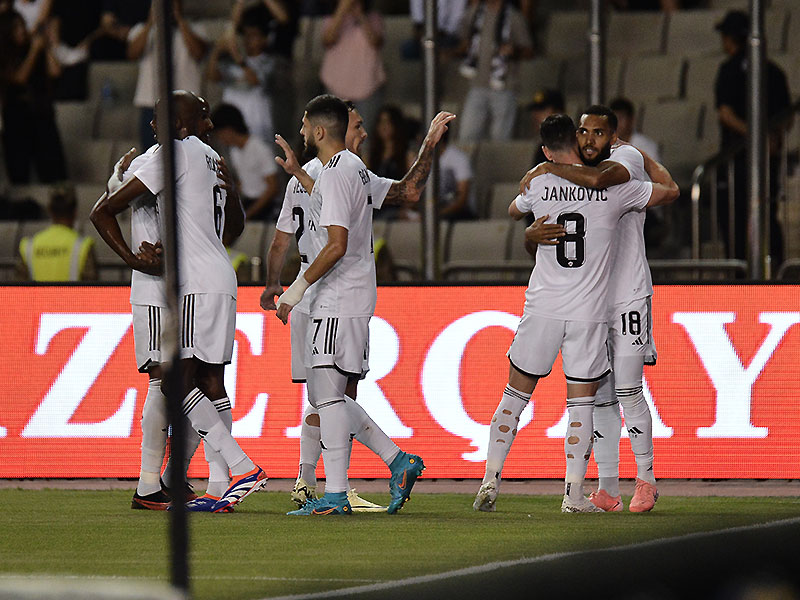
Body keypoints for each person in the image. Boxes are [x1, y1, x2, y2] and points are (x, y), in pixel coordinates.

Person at [473, 113, 678, 513]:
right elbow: (668, 192)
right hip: (588, 311)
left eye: (598, 132)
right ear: (576, 138)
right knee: (585, 404)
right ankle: (575, 494)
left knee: (515, 396)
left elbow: (514, 209)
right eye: (584, 132)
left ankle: (490, 480)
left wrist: (537, 198)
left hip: (546, 307)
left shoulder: (543, 181)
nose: (590, 138)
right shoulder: (617, 191)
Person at [263, 100, 455, 511]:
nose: (364, 132)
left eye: (304, 124)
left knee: (328, 397)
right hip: (341, 296)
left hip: (335, 295)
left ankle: (361, 476)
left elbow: (336, 243)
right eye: (359, 125)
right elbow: (400, 192)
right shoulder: (346, 170)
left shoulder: (342, 169)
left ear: (319, 131)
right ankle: (344, 485)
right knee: (328, 396)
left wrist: (294, 289)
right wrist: (299, 174)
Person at [91, 91, 266, 514]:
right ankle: (203, 483)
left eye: (159, 118)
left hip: (174, 282)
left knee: (168, 382)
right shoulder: (212, 159)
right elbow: (232, 229)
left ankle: (167, 481)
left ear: (177, 125)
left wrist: (117, 183)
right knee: (205, 381)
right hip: (211, 276)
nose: (153, 125)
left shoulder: (168, 154)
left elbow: (104, 209)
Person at [714, 10, 791, 268]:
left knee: (737, 219)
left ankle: (741, 275)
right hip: (766, 158)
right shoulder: (773, 70)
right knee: (766, 214)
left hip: (737, 160)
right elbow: (786, 119)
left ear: (730, 39)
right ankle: (775, 271)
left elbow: (725, 114)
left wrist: (753, 137)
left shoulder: (729, 70)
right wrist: (766, 138)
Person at [128, 0, 208, 153]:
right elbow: (132, 53)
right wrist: (151, 22)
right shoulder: (141, 29)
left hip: (185, 107)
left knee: (189, 154)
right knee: (151, 155)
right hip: (151, 104)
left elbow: (198, 52)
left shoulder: (196, 28)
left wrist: (179, 19)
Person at [0, 9, 67, 184]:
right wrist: (34, 51)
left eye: (22, 26)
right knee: (19, 171)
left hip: (41, 112)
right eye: (16, 28)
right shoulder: (5, 55)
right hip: (16, 118)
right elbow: (19, 78)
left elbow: (55, 71)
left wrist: (45, 48)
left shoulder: (33, 47)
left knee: (53, 169)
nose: (22, 31)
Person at [456, 0, 533, 143]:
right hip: (477, 84)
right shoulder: (473, 14)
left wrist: (513, 51)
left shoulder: (514, 17)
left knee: (500, 139)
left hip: (504, 86)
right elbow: (463, 41)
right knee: (467, 137)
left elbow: (528, 50)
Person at [206, 2, 275, 146]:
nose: (248, 40)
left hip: (257, 129)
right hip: (231, 130)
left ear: (265, 38)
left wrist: (237, 56)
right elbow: (213, 76)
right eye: (246, 35)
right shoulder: (231, 61)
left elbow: (254, 80)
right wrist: (217, 50)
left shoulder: (269, 61)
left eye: (253, 35)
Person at [320, 0, 385, 134]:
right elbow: (328, 40)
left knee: (364, 135)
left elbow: (376, 42)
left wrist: (360, 15)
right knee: (335, 135)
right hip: (336, 85)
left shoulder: (374, 18)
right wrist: (342, 10)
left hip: (367, 86)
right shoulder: (331, 18)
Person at [211, 103, 279, 221]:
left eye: (219, 134)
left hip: (265, 206)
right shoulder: (234, 151)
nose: (220, 139)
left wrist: (249, 213)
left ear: (228, 130)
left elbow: (273, 187)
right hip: (247, 202)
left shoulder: (259, 149)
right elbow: (243, 182)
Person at [17, 185, 96, 281]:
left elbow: (19, 285)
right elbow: (92, 286)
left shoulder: (28, 246)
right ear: (75, 211)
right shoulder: (83, 246)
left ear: (49, 210)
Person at [437, 129, 474, 221]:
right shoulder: (421, 158)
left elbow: (461, 199)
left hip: (459, 213)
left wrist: (435, 215)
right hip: (432, 210)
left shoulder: (459, 158)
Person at [608, 97, 660, 162]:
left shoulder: (646, 146)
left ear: (631, 120)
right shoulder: (606, 146)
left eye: (620, 118)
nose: (617, 123)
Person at [526, 89, 564, 166]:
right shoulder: (543, 148)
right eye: (535, 111)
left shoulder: (569, 145)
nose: (535, 115)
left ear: (557, 113)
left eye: (542, 110)